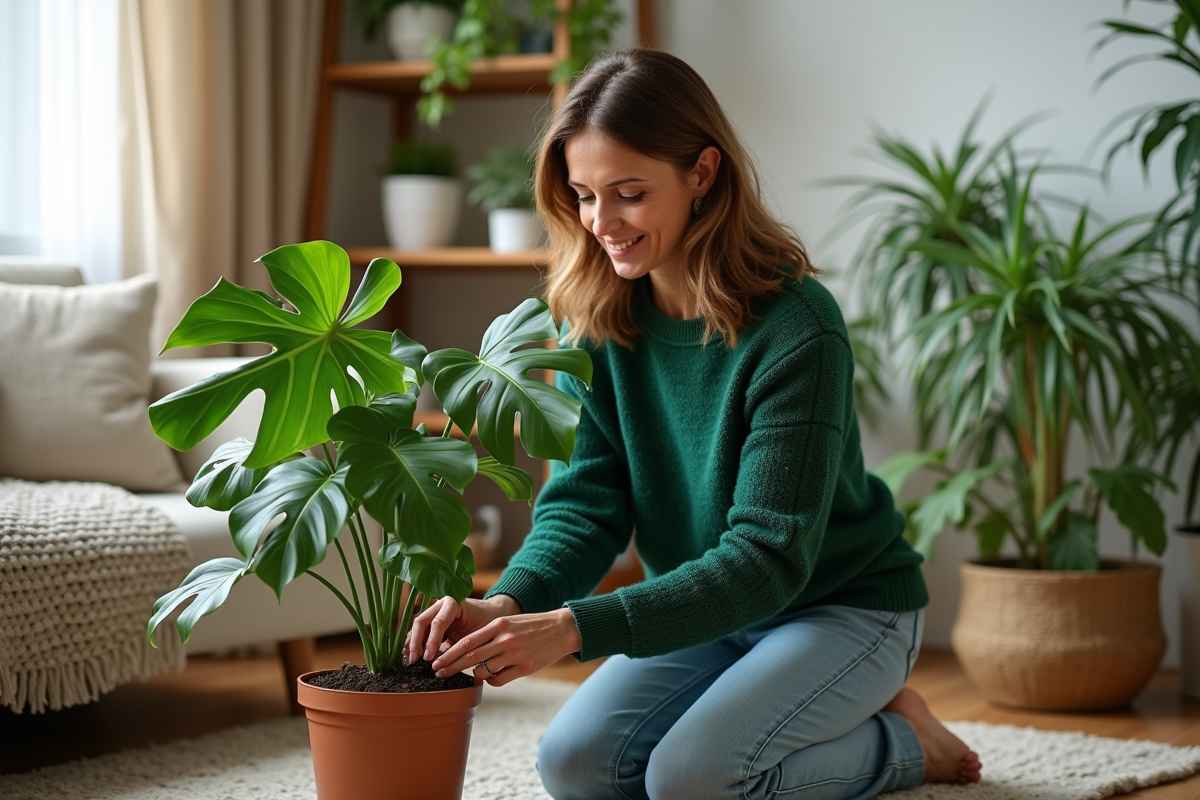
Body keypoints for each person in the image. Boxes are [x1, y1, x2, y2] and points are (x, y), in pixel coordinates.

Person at [405, 47, 983, 799]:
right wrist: (508, 602)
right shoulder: (595, 322)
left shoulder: (798, 329)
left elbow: (767, 559)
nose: (601, 222)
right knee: (573, 766)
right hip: (704, 611)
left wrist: (573, 627)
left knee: (693, 781)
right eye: (583, 195)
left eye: (629, 193)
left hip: (841, 607)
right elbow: (583, 507)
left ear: (703, 174)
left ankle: (905, 743)